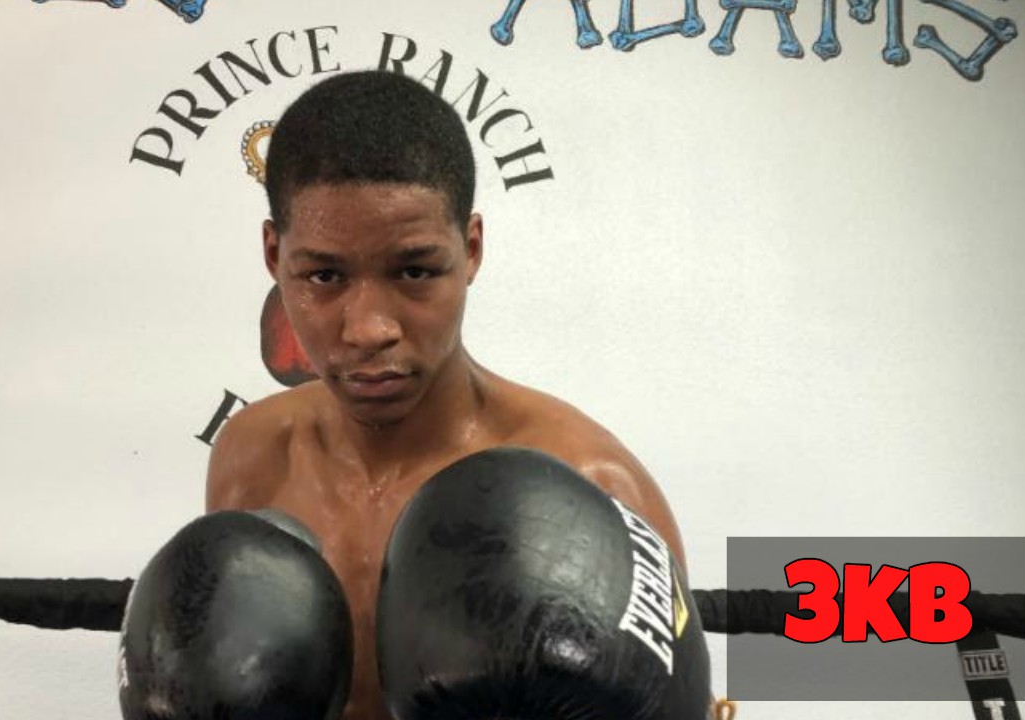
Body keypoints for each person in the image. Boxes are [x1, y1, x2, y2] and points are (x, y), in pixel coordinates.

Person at [205, 69, 702, 720]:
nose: (369, 330)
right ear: (275, 256)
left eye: (415, 271)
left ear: (470, 249)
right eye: (323, 276)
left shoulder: (594, 485)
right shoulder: (251, 457)